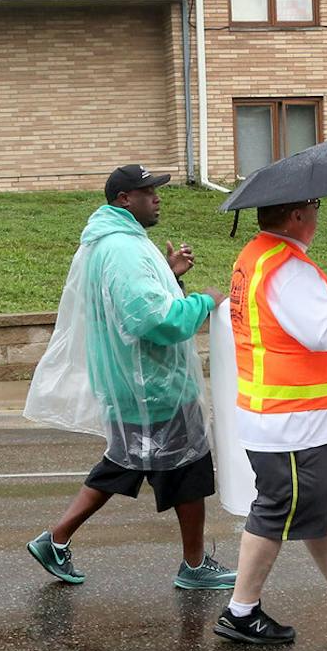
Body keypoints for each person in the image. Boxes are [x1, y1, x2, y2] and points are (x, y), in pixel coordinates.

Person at [21, 164, 237, 591]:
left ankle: (56, 539)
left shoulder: (114, 243)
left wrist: (170, 275)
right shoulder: (123, 248)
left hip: (132, 383)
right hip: (152, 384)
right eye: (148, 191)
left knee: (123, 464)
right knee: (189, 468)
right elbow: (153, 320)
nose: (157, 197)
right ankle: (194, 566)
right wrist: (202, 301)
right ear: (124, 199)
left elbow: (128, 303)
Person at [215, 199, 327, 644]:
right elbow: (324, 332)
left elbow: (289, 319)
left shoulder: (260, 255)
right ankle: (241, 611)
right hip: (291, 419)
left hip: (281, 413)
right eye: (312, 209)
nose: (317, 216)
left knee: (311, 506)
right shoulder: (288, 269)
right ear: (296, 217)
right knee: (276, 510)